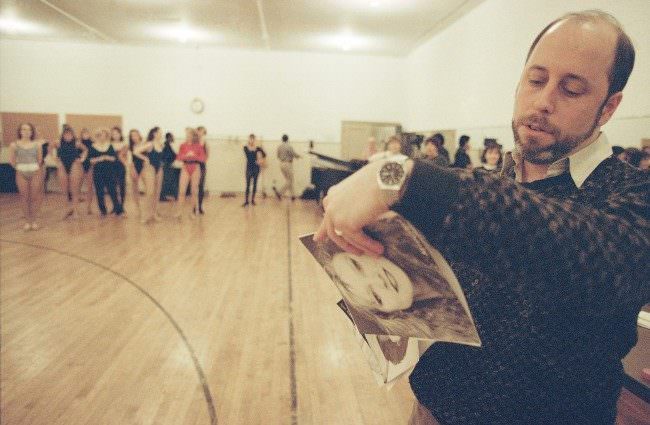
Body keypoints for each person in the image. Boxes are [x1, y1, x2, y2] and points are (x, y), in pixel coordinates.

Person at [315, 10, 648, 425]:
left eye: (572, 89)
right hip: (432, 412)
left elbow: (599, 258)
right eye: (536, 79)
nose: (543, 102)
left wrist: (403, 175)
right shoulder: (487, 183)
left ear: (608, 107)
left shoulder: (633, 196)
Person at [8, 123, 44, 231]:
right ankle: (27, 221)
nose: (26, 132)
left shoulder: (37, 145)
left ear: (32, 132)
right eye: (24, 129)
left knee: (34, 197)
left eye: (29, 130)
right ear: (20, 131)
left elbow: (39, 160)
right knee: (24, 197)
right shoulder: (14, 145)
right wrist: (20, 168)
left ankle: (33, 220)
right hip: (21, 172)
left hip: (35, 172)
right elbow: (12, 160)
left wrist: (35, 168)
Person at [88, 127, 123, 216]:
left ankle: (118, 210)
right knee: (99, 191)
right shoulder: (93, 146)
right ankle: (103, 211)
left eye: (104, 136)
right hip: (98, 172)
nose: (102, 137)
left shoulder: (110, 146)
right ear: (98, 136)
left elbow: (115, 158)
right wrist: (100, 158)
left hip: (109, 171)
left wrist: (107, 157)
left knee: (113, 190)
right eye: (100, 136)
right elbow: (90, 160)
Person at [55, 125, 87, 218]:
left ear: (73, 135)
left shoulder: (77, 143)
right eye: (66, 134)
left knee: (75, 190)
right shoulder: (58, 143)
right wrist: (55, 159)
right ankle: (66, 210)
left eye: (70, 134)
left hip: (74, 165)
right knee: (64, 190)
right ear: (63, 135)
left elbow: (85, 150)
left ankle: (75, 210)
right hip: (62, 165)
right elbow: (49, 150)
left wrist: (82, 158)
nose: (68, 136)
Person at [134, 127, 164, 224]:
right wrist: (145, 159)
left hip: (159, 169)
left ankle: (153, 214)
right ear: (155, 134)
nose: (161, 134)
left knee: (157, 192)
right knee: (150, 192)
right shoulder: (150, 144)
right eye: (160, 132)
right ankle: (144, 215)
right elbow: (136, 151)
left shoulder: (160, 144)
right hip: (149, 168)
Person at [175, 128, 206, 218]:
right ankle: (179, 211)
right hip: (185, 167)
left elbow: (203, 158)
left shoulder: (198, 146)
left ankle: (193, 211)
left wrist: (194, 156)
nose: (187, 136)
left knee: (194, 191)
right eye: (186, 134)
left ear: (193, 136)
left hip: (195, 167)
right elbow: (179, 157)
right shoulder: (183, 145)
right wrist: (186, 156)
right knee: (181, 191)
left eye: (189, 134)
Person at [273, 134, 301, 200]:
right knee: (290, 180)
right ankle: (280, 193)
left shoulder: (279, 147)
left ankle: (293, 195)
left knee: (289, 180)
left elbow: (278, 156)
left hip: (281, 164)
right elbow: (293, 154)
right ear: (288, 139)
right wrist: (299, 156)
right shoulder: (289, 146)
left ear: (282, 139)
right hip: (287, 164)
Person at [242, 134, 264, 206]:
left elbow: (264, 155)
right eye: (250, 139)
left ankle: (252, 200)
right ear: (248, 139)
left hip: (256, 168)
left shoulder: (258, 148)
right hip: (249, 168)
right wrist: (256, 151)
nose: (251, 140)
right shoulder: (245, 147)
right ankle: (246, 201)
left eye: (253, 139)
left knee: (255, 184)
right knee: (248, 184)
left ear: (254, 140)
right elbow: (248, 156)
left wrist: (260, 160)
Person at [128, 129, 145, 216]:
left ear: (139, 134)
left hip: (145, 167)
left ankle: (148, 208)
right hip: (135, 166)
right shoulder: (131, 147)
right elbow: (130, 160)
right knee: (135, 188)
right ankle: (137, 208)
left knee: (148, 187)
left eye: (135, 135)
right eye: (132, 136)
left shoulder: (144, 143)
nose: (134, 137)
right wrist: (132, 169)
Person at [110, 126, 128, 213]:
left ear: (120, 134)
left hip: (120, 166)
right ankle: (115, 206)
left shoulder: (124, 143)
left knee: (122, 186)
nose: (115, 135)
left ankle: (122, 206)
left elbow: (123, 155)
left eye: (117, 133)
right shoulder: (108, 144)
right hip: (110, 167)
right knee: (112, 187)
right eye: (113, 134)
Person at [79, 128, 95, 214]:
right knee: (78, 186)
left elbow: (94, 154)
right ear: (81, 135)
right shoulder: (78, 143)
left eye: (87, 133)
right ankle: (75, 208)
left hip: (90, 166)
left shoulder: (93, 144)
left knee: (90, 187)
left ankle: (89, 207)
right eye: (83, 134)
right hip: (80, 166)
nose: (85, 135)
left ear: (89, 134)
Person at [160, 132, 178, 201]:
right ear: (168, 137)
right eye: (172, 137)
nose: (173, 138)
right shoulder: (165, 145)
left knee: (168, 180)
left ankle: (164, 196)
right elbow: (167, 155)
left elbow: (173, 155)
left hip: (168, 165)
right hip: (166, 165)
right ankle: (162, 197)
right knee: (166, 181)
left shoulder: (168, 145)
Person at [196, 126, 208, 214]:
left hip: (201, 165)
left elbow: (207, 154)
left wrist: (202, 159)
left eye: (203, 132)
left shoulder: (205, 143)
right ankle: (194, 206)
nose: (201, 134)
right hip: (194, 165)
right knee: (194, 187)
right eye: (200, 131)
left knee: (201, 186)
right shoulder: (194, 142)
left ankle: (199, 206)